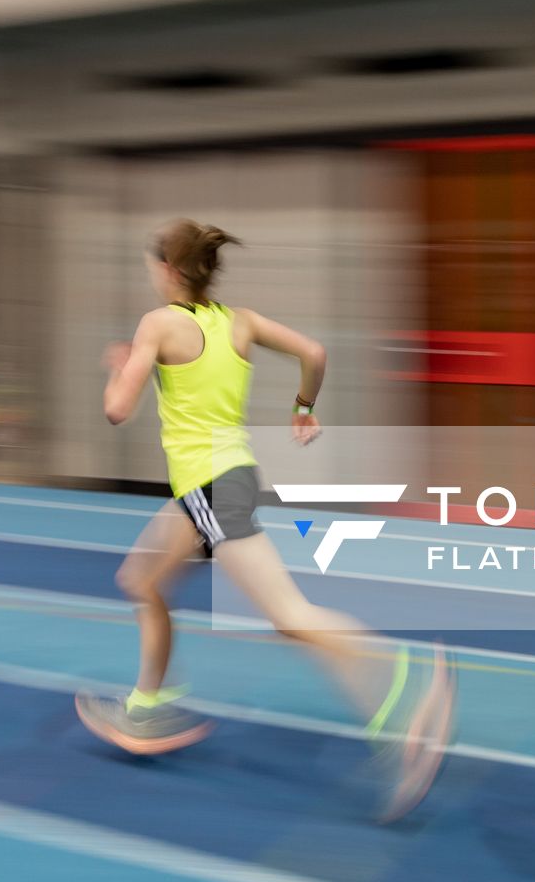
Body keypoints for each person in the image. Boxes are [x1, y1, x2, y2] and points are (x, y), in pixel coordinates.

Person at [75, 219, 456, 822]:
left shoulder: (158, 323)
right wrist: (303, 408)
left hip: (209, 489)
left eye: (154, 266)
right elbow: (314, 352)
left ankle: (408, 680)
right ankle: (148, 704)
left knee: (290, 617)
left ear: (170, 271)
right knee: (141, 582)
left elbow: (118, 410)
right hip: (219, 485)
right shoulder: (241, 321)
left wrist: (120, 368)